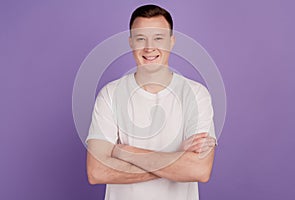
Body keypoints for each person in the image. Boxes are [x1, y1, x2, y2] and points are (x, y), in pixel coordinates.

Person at [86, 4, 217, 200]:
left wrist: (126, 153)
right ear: (131, 42)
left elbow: (199, 170)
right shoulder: (110, 94)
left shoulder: (196, 94)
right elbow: (97, 172)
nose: (149, 47)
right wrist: (175, 160)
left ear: (171, 42)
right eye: (141, 39)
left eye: (158, 38)